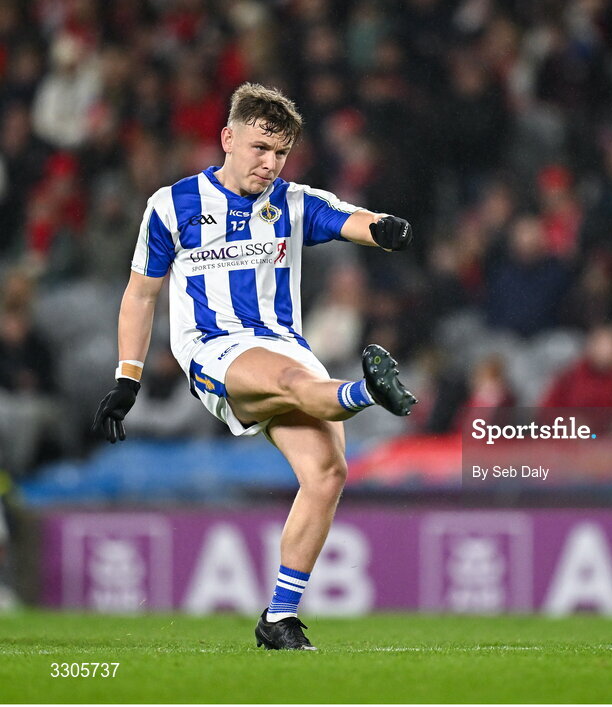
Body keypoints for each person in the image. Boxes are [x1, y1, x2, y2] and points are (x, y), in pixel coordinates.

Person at [91, 84, 417, 651]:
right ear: (228, 138)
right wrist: (127, 378)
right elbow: (140, 295)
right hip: (212, 347)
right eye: (260, 148)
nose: (269, 163)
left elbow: (350, 217)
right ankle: (368, 390)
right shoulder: (172, 206)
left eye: (281, 153)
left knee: (326, 472)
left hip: (282, 343)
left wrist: (386, 230)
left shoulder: (290, 202)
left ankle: (280, 619)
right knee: (299, 385)